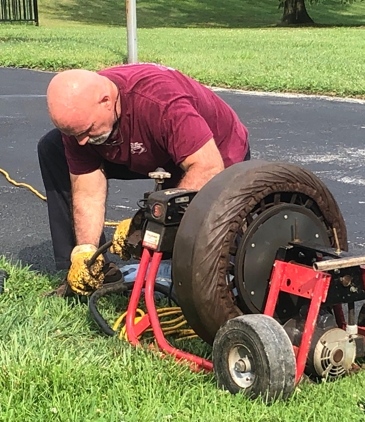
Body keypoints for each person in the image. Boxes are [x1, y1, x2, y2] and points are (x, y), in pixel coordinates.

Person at [38, 63, 250, 295]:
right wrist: (86, 249)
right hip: (143, 146)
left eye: (87, 130)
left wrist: (145, 223)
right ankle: (90, 272)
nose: (81, 141)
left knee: (205, 247)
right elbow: (88, 190)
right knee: (53, 148)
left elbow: (208, 167)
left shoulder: (161, 102)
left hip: (212, 154)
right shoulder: (80, 120)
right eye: (75, 134)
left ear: (106, 101)